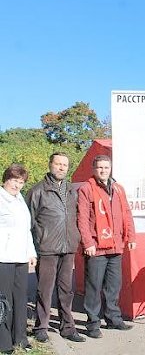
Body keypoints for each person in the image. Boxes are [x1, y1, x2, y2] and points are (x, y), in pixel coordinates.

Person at [26, 152, 86, 343]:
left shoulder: (71, 190)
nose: (61, 168)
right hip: (47, 248)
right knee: (45, 289)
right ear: (50, 165)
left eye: (65, 165)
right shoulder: (37, 191)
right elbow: (29, 222)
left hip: (68, 247)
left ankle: (67, 327)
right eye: (58, 164)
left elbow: (78, 217)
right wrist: (33, 247)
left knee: (66, 290)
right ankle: (41, 327)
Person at [77, 155, 136, 338]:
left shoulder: (118, 189)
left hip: (116, 245)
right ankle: (93, 324)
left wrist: (131, 236)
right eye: (100, 167)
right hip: (96, 247)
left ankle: (113, 319)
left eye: (106, 167)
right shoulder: (87, 188)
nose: (103, 170)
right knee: (94, 286)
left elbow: (126, 213)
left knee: (113, 286)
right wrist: (87, 242)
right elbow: (82, 219)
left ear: (111, 169)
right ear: (94, 169)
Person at [0, 164, 36, 354]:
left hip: (21, 257)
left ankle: (20, 338)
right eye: (15, 180)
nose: (17, 185)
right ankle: (4, 341)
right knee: (4, 301)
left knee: (20, 299)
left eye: (21, 182)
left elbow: (26, 230)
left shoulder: (20, 199)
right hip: (3, 258)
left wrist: (31, 252)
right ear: (6, 179)